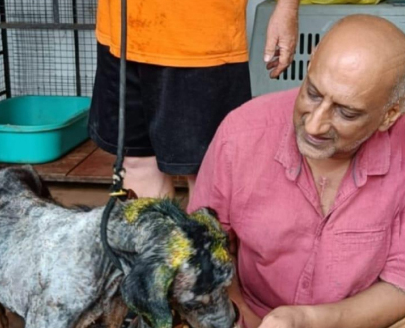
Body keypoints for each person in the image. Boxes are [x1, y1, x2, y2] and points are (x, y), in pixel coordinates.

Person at [117, 15, 405, 328]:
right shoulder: (243, 131)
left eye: (346, 113)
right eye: (313, 93)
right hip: (254, 321)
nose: (315, 124)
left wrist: (303, 322)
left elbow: (399, 287)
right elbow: (206, 254)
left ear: (389, 115)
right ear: (307, 70)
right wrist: (249, 323)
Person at [89, 0, 299, 198]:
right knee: (136, 160)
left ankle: (206, 238)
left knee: (207, 174)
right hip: (120, 30)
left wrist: (287, 9)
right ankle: (153, 237)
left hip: (202, 39)